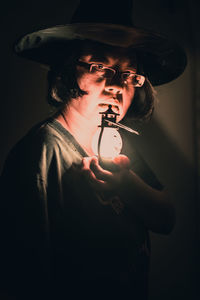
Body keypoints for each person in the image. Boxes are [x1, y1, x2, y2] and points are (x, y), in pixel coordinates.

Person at [0, 1, 187, 299]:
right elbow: (26, 274)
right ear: (66, 70)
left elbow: (166, 219)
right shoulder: (42, 154)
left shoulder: (114, 145)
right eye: (100, 66)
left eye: (128, 74)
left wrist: (126, 183)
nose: (116, 85)